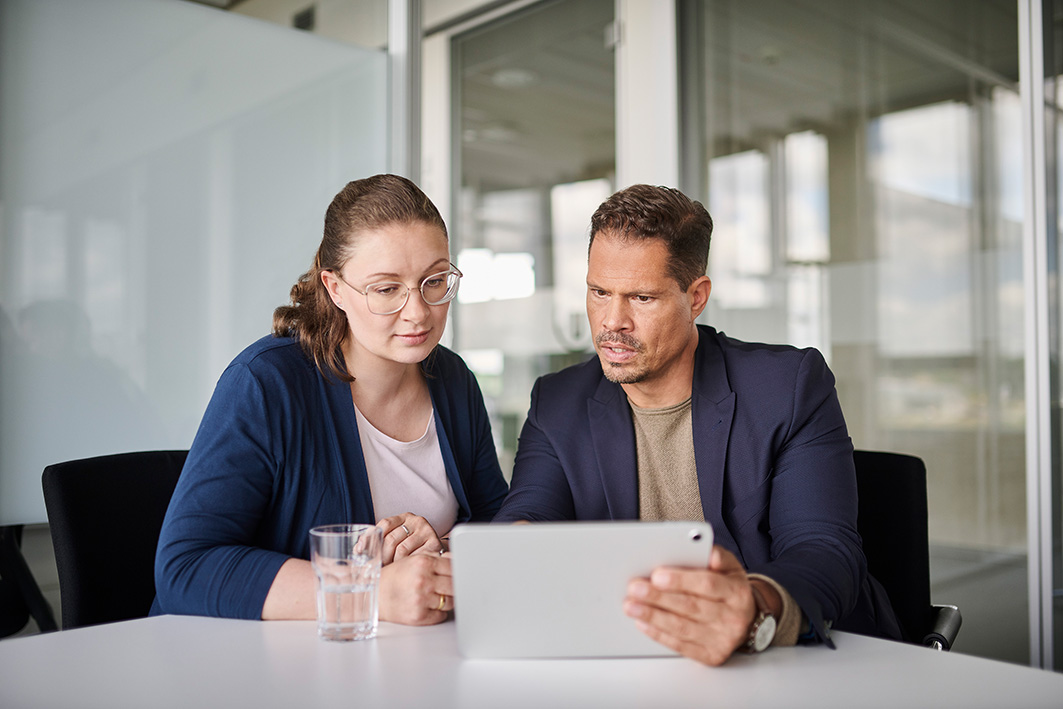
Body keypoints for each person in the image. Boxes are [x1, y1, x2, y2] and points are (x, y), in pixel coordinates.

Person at [493, 183, 901, 665]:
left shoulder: (788, 387)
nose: (612, 322)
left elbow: (825, 551)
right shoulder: (557, 402)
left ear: (697, 297)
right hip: (630, 665)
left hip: (795, 664)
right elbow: (527, 516)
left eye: (641, 298)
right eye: (599, 292)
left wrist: (751, 608)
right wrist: (511, 549)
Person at [153, 174, 508, 625]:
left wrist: (438, 553)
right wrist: (373, 592)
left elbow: (498, 526)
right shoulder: (267, 383)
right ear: (335, 287)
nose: (418, 312)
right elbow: (187, 567)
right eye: (386, 289)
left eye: (434, 281)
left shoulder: (453, 380)